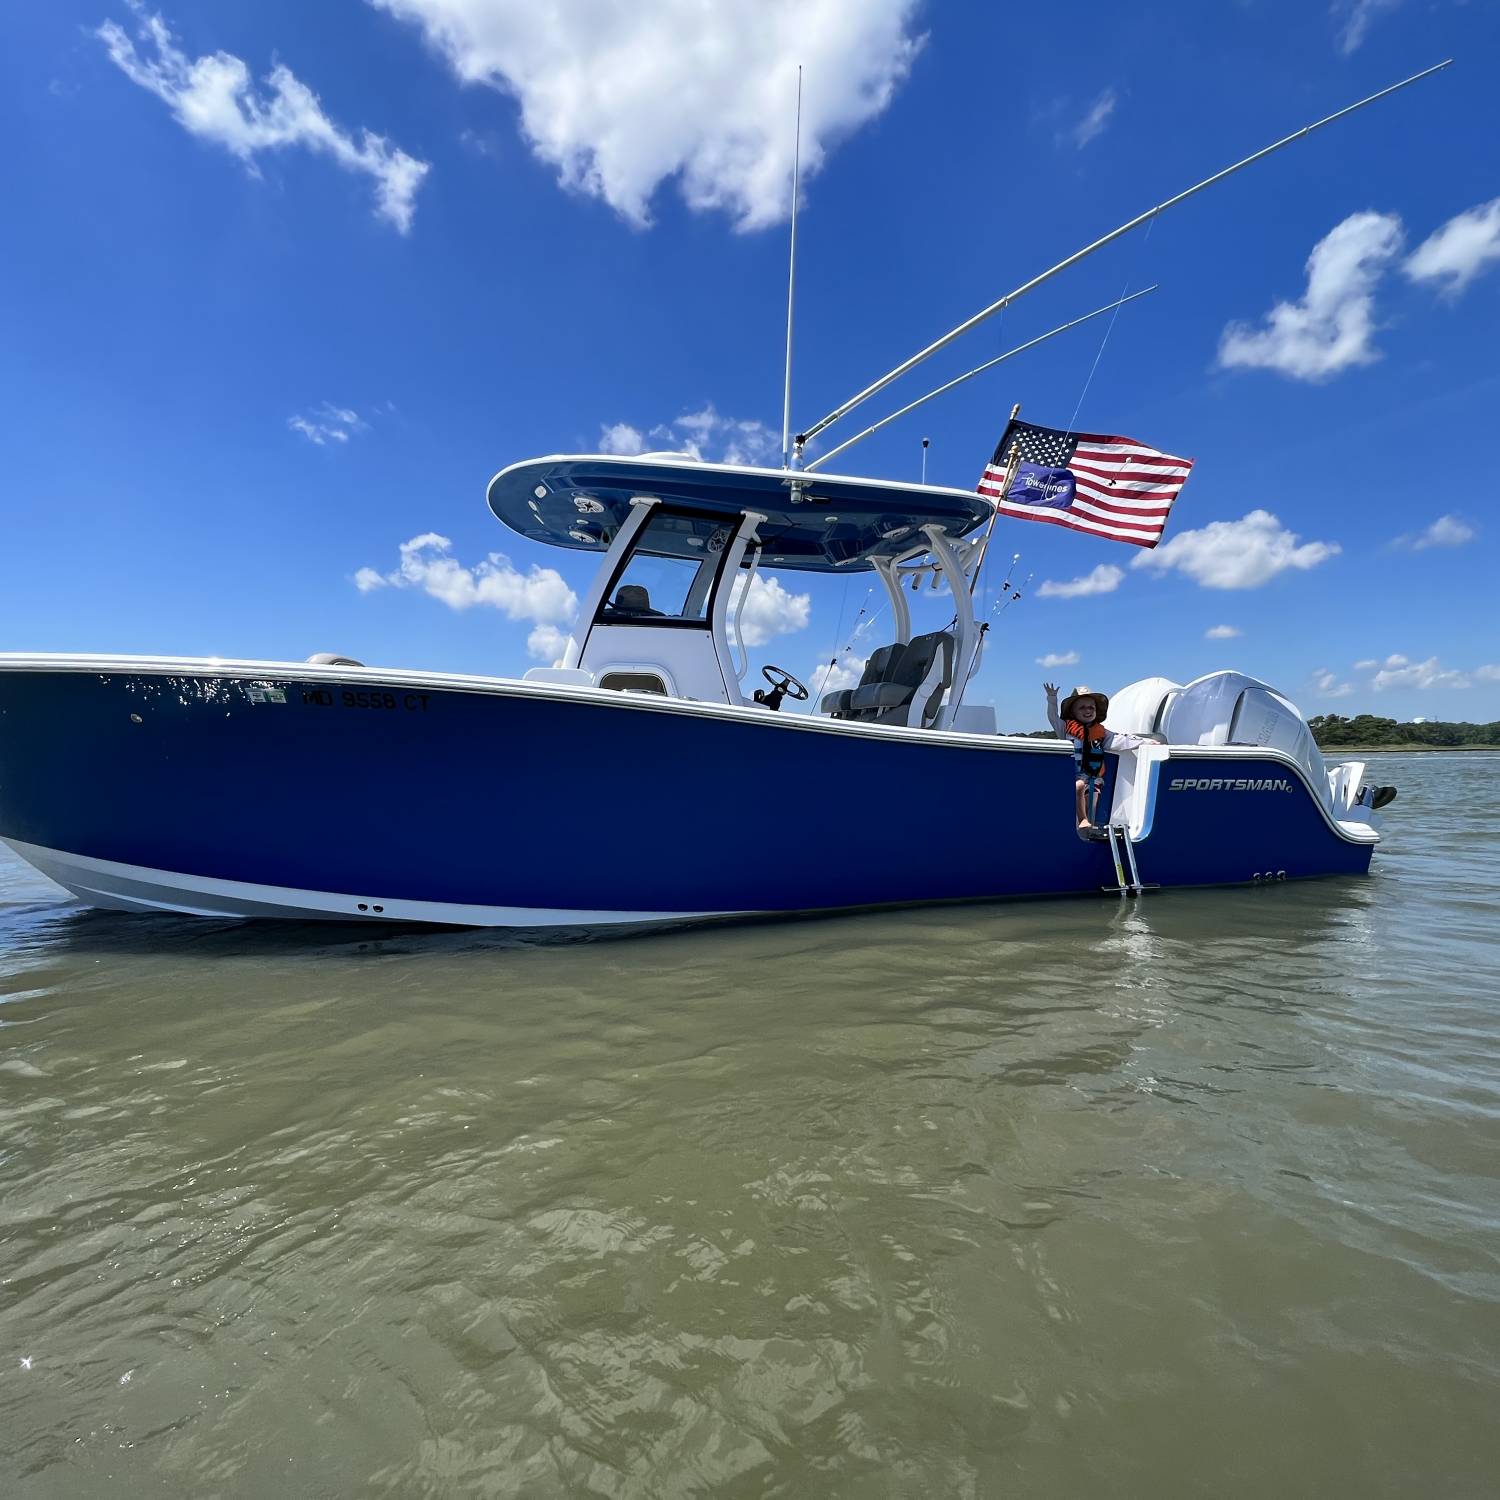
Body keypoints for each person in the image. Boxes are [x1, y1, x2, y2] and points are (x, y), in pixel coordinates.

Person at [1044, 682, 1145, 832]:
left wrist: (1147, 742)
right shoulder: (1065, 728)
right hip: (1071, 776)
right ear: (1072, 711)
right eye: (1082, 707)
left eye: (1091, 707)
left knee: (1093, 794)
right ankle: (1082, 820)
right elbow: (1053, 717)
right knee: (1079, 786)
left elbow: (1122, 740)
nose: (1087, 710)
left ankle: (1089, 822)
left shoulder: (1101, 732)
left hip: (1093, 776)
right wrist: (1052, 699)